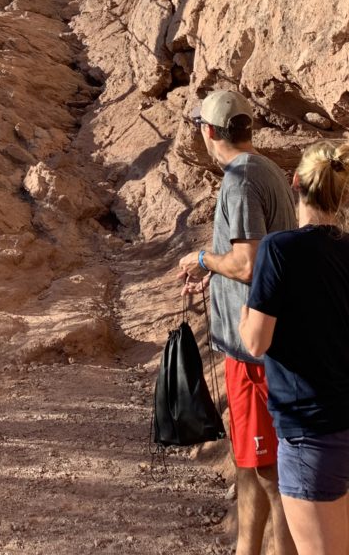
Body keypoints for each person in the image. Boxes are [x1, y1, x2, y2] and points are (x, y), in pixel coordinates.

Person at [177, 89, 297, 555]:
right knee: (249, 462)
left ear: (208, 131)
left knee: (269, 469)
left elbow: (248, 263)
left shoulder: (241, 181)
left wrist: (204, 259)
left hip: (254, 349)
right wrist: (214, 278)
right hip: (258, 341)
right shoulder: (264, 169)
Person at [240, 141, 349, 555]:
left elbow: (255, 341)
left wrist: (245, 309)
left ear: (295, 182)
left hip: (309, 432)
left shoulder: (280, 249)